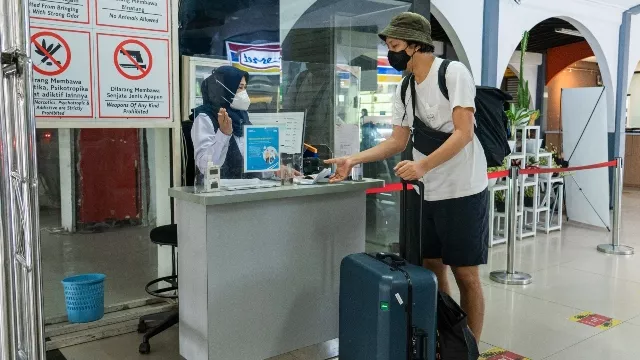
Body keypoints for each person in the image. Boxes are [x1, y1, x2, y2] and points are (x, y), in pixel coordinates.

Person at [325, 12, 488, 340]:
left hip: (464, 188)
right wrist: (352, 159)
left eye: (396, 45)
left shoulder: (452, 73)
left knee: (466, 274)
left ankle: (469, 347)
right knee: (431, 268)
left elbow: (464, 133)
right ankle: (443, 339)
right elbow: (397, 141)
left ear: (416, 45)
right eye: (388, 45)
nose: (391, 51)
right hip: (426, 192)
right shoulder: (405, 88)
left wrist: (423, 166)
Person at [191, 66, 253, 179]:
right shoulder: (205, 118)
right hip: (218, 190)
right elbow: (205, 167)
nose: (244, 93)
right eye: (239, 87)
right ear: (223, 89)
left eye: (245, 88)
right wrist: (223, 134)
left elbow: (253, 157)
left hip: (247, 188)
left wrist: (274, 169)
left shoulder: (242, 117)